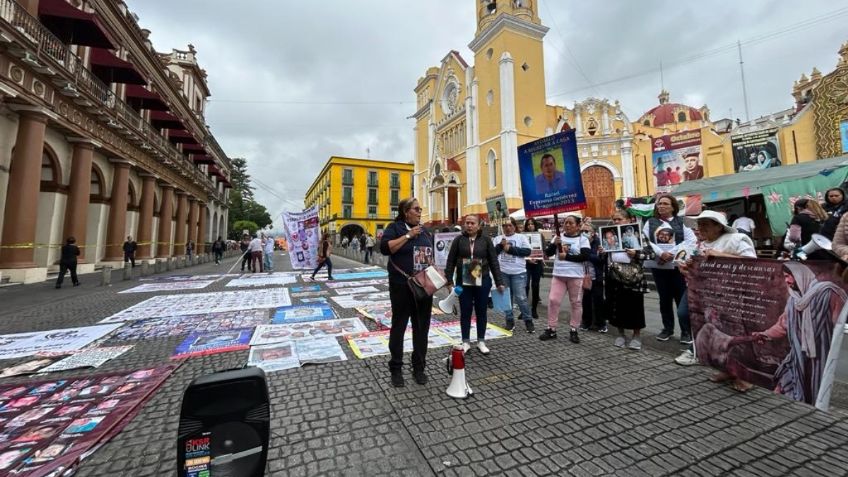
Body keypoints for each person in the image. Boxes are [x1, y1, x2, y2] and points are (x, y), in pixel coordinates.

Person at [675, 211, 757, 386]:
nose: (700, 228)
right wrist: (688, 268)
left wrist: (721, 255)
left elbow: (753, 264)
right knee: (710, 329)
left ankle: (743, 376)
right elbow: (700, 268)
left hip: (731, 294)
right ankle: (726, 369)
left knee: (733, 333)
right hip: (706, 295)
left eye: (705, 224)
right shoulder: (702, 244)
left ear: (719, 226)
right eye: (699, 224)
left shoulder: (736, 239)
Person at [751, 262, 847, 404]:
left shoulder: (829, 293)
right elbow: (783, 325)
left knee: (814, 394)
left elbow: (838, 325)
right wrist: (764, 334)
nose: (787, 281)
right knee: (785, 385)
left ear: (800, 275)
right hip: (797, 358)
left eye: (789, 276)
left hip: (819, 358)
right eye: (785, 276)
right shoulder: (794, 301)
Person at [380, 198, 434, 387]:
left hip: (424, 287)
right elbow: (385, 248)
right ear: (405, 212)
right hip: (401, 286)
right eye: (416, 209)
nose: (420, 212)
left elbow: (431, 257)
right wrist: (409, 235)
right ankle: (396, 368)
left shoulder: (426, 231)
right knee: (399, 327)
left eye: (420, 209)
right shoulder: (394, 228)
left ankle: (419, 367)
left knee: (422, 328)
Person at [445, 215, 505, 354]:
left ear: (478, 226)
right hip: (464, 280)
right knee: (465, 310)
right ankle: (465, 341)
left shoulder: (486, 240)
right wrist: (449, 281)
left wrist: (499, 281)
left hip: (482, 279)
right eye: (467, 223)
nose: (469, 225)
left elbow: (493, 261)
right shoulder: (459, 240)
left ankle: (481, 341)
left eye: (473, 223)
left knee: (481, 311)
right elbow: (450, 261)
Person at [645, 194, 697, 344]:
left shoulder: (681, 222)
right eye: (659, 204)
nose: (661, 206)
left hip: (676, 268)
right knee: (664, 299)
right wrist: (661, 254)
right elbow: (646, 240)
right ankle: (667, 328)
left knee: (680, 299)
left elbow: (691, 240)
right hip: (659, 267)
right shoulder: (651, 222)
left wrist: (671, 254)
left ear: (673, 207)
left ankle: (686, 331)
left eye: (665, 204)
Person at [602, 210, 648, 350]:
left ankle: (636, 335)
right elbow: (606, 257)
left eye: (619, 219)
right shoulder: (609, 235)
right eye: (614, 219)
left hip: (632, 276)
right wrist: (602, 252)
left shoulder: (638, 234)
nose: (616, 222)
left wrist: (637, 253)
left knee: (635, 306)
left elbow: (650, 253)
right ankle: (621, 334)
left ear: (629, 220)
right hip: (614, 276)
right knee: (616, 305)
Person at [540, 215, 590, 343]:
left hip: (576, 276)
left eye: (571, 223)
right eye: (565, 223)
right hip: (559, 275)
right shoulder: (558, 237)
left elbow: (585, 256)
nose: (567, 225)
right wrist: (554, 245)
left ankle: (574, 329)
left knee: (576, 303)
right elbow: (549, 253)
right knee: (553, 300)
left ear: (578, 226)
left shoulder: (583, 239)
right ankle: (551, 328)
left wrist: (566, 257)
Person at [493, 217, 534, 333]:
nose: (507, 227)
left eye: (510, 225)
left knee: (521, 298)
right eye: (505, 226)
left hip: (518, 273)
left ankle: (528, 320)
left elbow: (527, 252)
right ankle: (509, 321)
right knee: (506, 298)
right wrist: (501, 246)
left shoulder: (521, 237)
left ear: (514, 226)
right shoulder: (497, 239)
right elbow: (492, 254)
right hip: (503, 272)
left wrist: (510, 249)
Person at [581, 223, 607, 333]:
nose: (584, 233)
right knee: (585, 301)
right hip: (584, 276)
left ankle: (601, 323)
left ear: (593, 233)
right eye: (582, 231)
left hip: (597, 276)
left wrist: (587, 255)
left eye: (586, 231)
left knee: (598, 300)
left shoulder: (599, 243)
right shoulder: (580, 242)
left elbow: (601, 260)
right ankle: (586, 322)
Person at [523, 218, 544, 319]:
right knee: (525, 286)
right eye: (528, 224)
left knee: (535, 286)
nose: (530, 226)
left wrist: (538, 257)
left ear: (535, 225)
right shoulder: (522, 236)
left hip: (537, 264)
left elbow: (543, 249)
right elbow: (521, 250)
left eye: (532, 224)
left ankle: (534, 309)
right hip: (526, 264)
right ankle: (524, 310)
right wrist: (528, 259)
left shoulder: (540, 236)